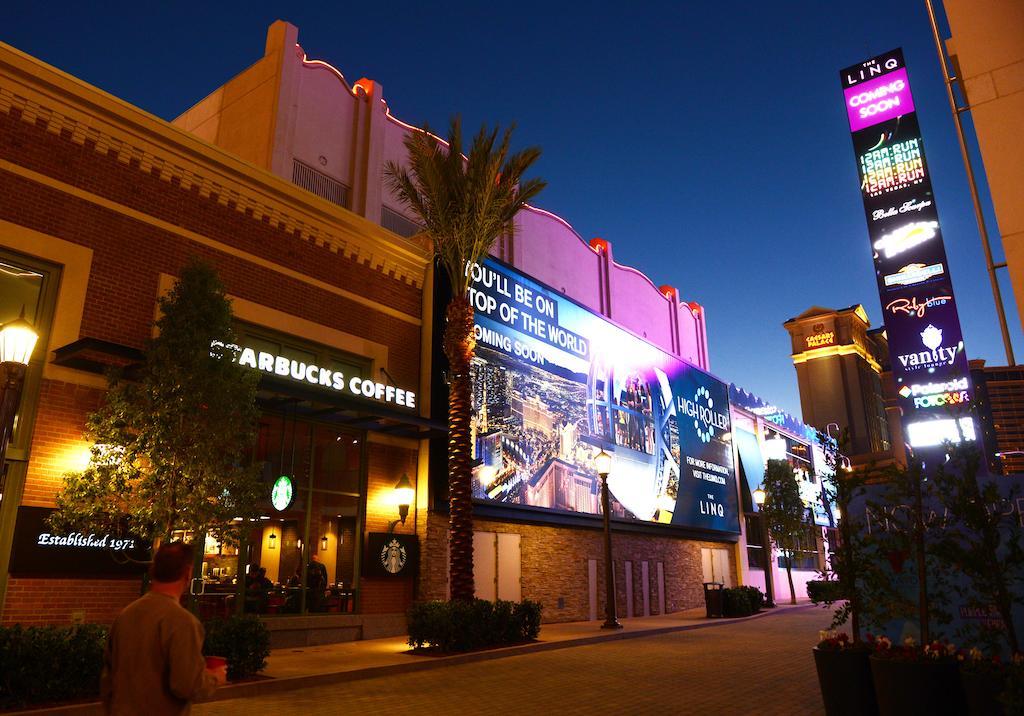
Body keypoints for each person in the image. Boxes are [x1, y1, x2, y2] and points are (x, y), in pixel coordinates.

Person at [101, 542, 226, 715]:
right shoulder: (183, 622)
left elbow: (108, 678)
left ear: (153, 570)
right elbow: (187, 685)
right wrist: (214, 677)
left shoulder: (126, 615)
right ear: (188, 573)